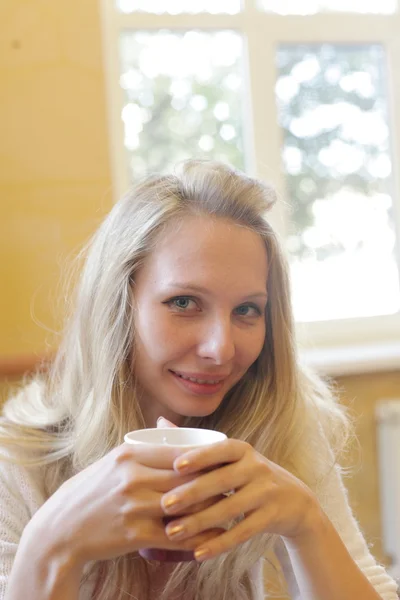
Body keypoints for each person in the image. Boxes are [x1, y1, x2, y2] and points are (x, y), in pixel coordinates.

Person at [0, 160, 397, 600]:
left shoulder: (286, 424)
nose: (221, 349)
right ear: (118, 305)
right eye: (184, 302)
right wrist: (51, 544)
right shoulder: (19, 459)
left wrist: (308, 523)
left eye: (247, 310)